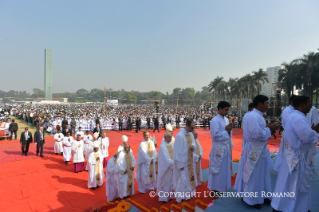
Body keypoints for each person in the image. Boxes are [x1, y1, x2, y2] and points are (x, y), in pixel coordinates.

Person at [271, 96, 319, 212]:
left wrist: (311, 130)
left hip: (293, 155)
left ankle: (282, 207)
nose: (310, 106)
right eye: (308, 104)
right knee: (295, 185)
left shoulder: (296, 116)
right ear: (302, 105)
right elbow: (307, 137)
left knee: (287, 183)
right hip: (298, 157)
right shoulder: (298, 118)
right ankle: (293, 208)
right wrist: (315, 130)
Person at [234, 95, 278, 209]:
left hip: (259, 149)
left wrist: (267, 128)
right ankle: (250, 199)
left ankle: (262, 196)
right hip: (254, 149)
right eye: (267, 103)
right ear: (260, 104)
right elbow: (257, 134)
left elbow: (259, 131)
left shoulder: (257, 115)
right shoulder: (253, 116)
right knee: (253, 174)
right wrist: (269, 129)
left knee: (262, 174)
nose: (268, 106)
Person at [208, 101, 233, 193]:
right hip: (218, 148)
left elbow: (229, 133)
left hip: (225, 147)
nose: (227, 112)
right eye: (226, 110)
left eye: (228, 110)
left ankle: (223, 187)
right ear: (220, 109)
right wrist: (227, 131)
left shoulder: (226, 120)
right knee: (217, 168)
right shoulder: (214, 120)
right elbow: (214, 135)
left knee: (224, 169)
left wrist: (229, 131)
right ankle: (215, 188)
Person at [173, 119, 197, 203]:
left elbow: (194, 143)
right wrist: (180, 164)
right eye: (192, 128)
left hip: (189, 161)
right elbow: (178, 151)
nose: (193, 130)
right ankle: (180, 197)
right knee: (182, 179)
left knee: (188, 178)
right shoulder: (180, 136)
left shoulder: (190, 134)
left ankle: (187, 194)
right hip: (183, 162)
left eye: (194, 128)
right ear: (186, 125)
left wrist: (193, 146)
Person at [273, 95, 297, 171]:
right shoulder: (287, 111)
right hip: (289, 133)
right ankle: (282, 167)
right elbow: (288, 124)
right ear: (292, 102)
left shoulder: (295, 110)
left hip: (294, 134)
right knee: (286, 152)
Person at [157, 132, 175, 203]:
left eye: (171, 137)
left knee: (171, 181)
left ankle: (172, 195)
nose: (171, 138)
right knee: (167, 182)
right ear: (165, 138)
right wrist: (173, 163)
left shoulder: (171, 144)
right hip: (166, 168)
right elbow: (165, 158)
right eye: (169, 137)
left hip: (172, 167)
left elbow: (174, 154)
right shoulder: (162, 146)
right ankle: (165, 197)